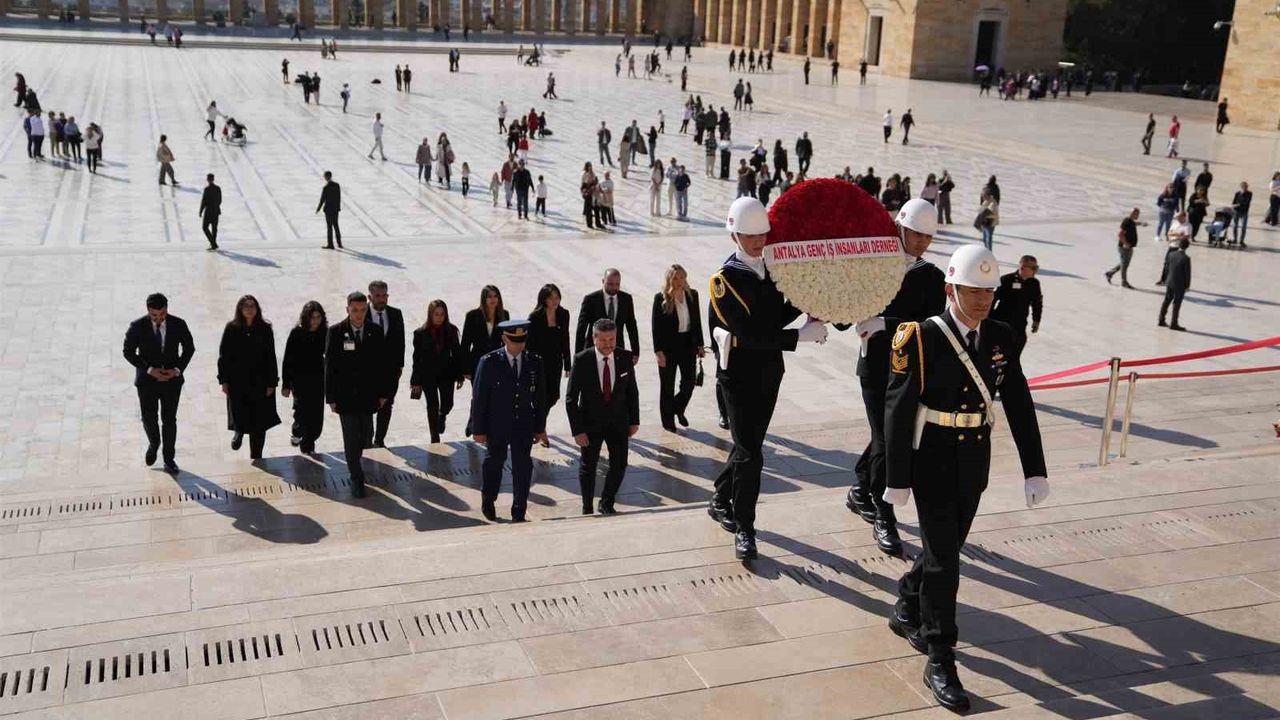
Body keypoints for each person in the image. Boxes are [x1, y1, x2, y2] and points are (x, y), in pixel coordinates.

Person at [882, 244, 1048, 714]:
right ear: (950, 288)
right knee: (945, 564)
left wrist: (1034, 468)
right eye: (972, 291)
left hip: (974, 460)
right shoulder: (920, 337)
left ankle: (908, 601)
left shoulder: (1001, 336)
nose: (982, 300)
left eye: (989, 292)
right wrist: (896, 479)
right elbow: (896, 411)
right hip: (931, 458)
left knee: (945, 550)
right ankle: (940, 655)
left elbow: (1017, 399)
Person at [707, 197, 829, 560]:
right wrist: (797, 338)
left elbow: (777, 313)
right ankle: (745, 528)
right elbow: (748, 334)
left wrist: (812, 302)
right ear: (734, 235)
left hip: (769, 373)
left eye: (763, 234)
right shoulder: (723, 282)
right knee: (751, 456)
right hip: (739, 378)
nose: (758, 241)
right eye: (749, 235)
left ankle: (719, 496)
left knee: (750, 446)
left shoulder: (770, 271)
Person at [845, 199, 946, 556]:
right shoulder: (873, 267)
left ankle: (861, 488)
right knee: (888, 439)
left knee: (887, 435)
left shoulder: (932, 277)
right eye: (915, 233)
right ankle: (883, 514)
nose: (920, 241)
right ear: (900, 228)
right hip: (873, 367)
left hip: (906, 369)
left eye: (927, 237)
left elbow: (930, 324)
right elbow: (845, 314)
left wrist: (884, 323)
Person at [471, 320, 548, 522]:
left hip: (523, 423)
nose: (519, 345)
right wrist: (478, 428)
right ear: (504, 338)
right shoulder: (489, 362)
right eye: (515, 341)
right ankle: (488, 497)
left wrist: (540, 427)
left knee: (523, 467)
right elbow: (479, 398)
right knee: (494, 463)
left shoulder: (534, 361)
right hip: (497, 424)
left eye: (522, 340)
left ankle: (519, 508)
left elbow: (540, 397)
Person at [566, 318, 640, 516]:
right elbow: (571, 398)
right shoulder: (582, 360)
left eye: (612, 339)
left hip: (618, 422)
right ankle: (587, 506)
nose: (608, 344)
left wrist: (634, 420)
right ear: (594, 338)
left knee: (620, 464)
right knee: (588, 466)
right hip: (590, 424)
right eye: (604, 340)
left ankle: (607, 501)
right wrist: (577, 430)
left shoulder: (625, 357)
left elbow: (632, 391)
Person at [325, 291, 389, 498]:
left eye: (362, 310)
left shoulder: (375, 331)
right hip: (346, 396)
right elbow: (330, 366)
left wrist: (383, 393)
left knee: (365, 437)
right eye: (355, 310)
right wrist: (331, 397)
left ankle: (358, 464)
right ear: (347, 310)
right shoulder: (336, 332)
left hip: (368, 395)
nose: (359, 314)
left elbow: (382, 365)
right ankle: (356, 478)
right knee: (351, 438)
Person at [123, 293, 194, 473]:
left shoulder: (179, 324)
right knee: (149, 417)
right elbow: (128, 351)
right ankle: (154, 443)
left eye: (162, 314)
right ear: (148, 311)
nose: (158, 319)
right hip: (148, 381)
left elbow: (189, 348)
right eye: (154, 315)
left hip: (171, 381)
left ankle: (169, 459)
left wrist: (177, 370)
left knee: (169, 420)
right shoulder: (137, 326)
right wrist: (149, 370)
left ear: (166, 310)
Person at [218, 295, 281, 460]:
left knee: (260, 420)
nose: (249, 309)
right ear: (240, 309)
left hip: (260, 381)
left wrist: (272, 382)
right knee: (239, 411)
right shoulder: (232, 328)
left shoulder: (265, 329)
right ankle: (238, 432)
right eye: (245, 306)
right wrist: (223, 380)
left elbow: (270, 356)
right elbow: (224, 356)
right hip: (238, 381)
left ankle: (257, 454)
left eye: (252, 306)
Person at [652, 264, 704, 432]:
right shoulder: (660, 298)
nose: (679, 281)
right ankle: (668, 422)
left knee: (689, 383)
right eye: (675, 278)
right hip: (668, 348)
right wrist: (658, 351)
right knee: (667, 385)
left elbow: (697, 322)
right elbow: (656, 326)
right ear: (669, 279)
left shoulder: (692, 295)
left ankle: (676, 408)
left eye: (682, 277)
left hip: (688, 345)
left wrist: (701, 345)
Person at [411, 299, 464, 444]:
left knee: (448, 403)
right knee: (432, 405)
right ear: (430, 315)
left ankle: (443, 415)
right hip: (428, 374)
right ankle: (434, 436)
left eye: (442, 314)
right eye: (436, 314)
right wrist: (415, 381)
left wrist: (460, 375)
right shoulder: (420, 333)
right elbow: (417, 358)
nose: (439, 317)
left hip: (447, 373)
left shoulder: (452, 330)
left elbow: (457, 353)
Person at [461, 285, 509, 436]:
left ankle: (485, 425)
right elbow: (465, 343)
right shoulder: (473, 315)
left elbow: (506, 340)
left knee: (492, 396)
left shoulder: (504, 315)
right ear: (484, 299)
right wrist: (465, 368)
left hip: (496, 362)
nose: (493, 300)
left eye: (495, 296)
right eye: (489, 296)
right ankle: (474, 423)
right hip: (478, 362)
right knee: (478, 395)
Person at [282, 301, 327, 454]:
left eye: (318, 317)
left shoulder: (325, 333)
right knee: (302, 413)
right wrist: (286, 384)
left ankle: (308, 444)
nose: (315, 320)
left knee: (316, 415)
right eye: (312, 317)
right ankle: (298, 433)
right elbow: (288, 359)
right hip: (300, 381)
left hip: (319, 381)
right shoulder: (297, 333)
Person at [366, 281, 404, 447]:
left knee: (387, 406)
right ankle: (367, 439)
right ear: (370, 297)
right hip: (368, 372)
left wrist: (400, 366)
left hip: (390, 371)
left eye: (384, 295)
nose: (381, 299)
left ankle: (379, 440)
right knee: (366, 408)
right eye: (378, 296)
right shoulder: (361, 313)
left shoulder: (396, 314)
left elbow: (400, 341)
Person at [527, 284, 572, 420]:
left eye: (557, 298)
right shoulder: (535, 317)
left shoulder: (563, 314)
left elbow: (565, 338)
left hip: (556, 361)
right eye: (551, 298)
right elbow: (530, 343)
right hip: (539, 361)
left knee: (554, 395)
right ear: (544, 299)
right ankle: (540, 426)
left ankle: (538, 422)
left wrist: (567, 363)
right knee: (541, 395)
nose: (555, 301)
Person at [576, 269, 640, 360]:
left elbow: (631, 326)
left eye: (617, 284)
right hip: (594, 350)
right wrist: (578, 355)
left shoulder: (626, 299)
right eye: (610, 284)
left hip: (617, 350)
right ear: (603, 281)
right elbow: (581, 329)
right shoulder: (591, 300)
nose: (614, 287)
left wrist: (635, 352)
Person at [990, 255, 1044, 354]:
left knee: (1016, 350)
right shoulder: (1006, 280)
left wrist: (1036, 320)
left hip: (1019, 324)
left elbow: (1037, 304)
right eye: (1033, 268)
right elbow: (993, 299)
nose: (1035, 271)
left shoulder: (1034, 284)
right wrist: (987, 318)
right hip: (1002, 323)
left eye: (1036, 268)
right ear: (1022, 267)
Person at [1159, 238, 1192, 331]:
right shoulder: (1186, 258)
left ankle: (1161, 319)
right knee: (1176, 303)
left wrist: (1165, 279)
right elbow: (1187, 274)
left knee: (1167, 300)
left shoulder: (1171, 254)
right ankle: (1174, 323)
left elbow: (1166, 267)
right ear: (1187, 247)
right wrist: (1187, 286)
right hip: (1179, 284)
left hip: (1169, 281)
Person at [1105, 208, 1140, 289]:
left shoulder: (1131, 221)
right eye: (1137, 214)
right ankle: (1124, 282)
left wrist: (1141, 223)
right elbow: (1120, 234)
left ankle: (1109, 273)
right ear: (1133, 213)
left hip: (1129, 246)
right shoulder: (1127, 221)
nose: (1138, 215)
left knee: (1124, 264)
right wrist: (1126, 243)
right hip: (1124, 247)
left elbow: (1133, 224)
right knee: (1124, 265)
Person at [316, 171, 342, 249]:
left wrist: (318, 209)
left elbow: (322, 199)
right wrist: (338, 207)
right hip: (335, 209)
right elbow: (338, 198)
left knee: (329, 227)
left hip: (328, 210)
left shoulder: (326, 187)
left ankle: (330, 244)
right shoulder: (337, 185)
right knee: (336, 226)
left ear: (326, 177)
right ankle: (339, 243)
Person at [199, 173, 222, 250]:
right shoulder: (218, 188)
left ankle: (213, 243)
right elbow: (220, 200)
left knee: (205, 227)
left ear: (208, 179)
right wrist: (216, 206)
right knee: (214, 228)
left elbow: (204, 201)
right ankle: (213, 243)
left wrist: (201, 211)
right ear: (213, 179)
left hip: (209, 211)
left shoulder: (207, 189)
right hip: (216, 211)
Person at [1231, 181, 1252, 247]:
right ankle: (1235, 239)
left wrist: (1238, 204)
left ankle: (1241, 241)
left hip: (1244, 212)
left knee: (1243, 227)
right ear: (1241, 187)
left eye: (1246, 187)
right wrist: (1234, 205)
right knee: (1235, 226)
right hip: (1236, 211)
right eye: (1243, 187)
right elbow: (1233, 202)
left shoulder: (1249, 194)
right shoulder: (1237, 193)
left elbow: (1246, 202)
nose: (1245, 188)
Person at [580, 162, 599, 229]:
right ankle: (589, 223)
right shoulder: (585, 174)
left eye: (591, 166)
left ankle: (597, 222)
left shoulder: (593, 173)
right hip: (587, 192)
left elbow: (595, 181)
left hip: (593, 192)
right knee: (588, 207)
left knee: (594, 207)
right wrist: (585, 189)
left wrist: (594, 184)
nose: (590, 167)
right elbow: (584, 183)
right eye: (589, 166)